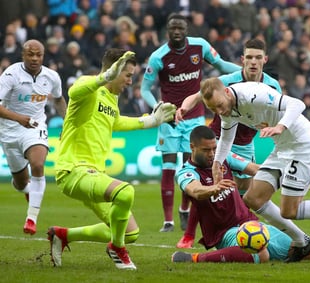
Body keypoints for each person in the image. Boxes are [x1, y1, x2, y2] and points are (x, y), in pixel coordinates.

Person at [200, 78, 310, 262]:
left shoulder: (253, 95)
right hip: (283, 148)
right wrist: (217, 164)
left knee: (289, 210)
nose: (219, 111)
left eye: (220, 105)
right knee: (254, 198)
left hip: (304, 145)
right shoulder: (226, 107)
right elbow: (226, 136)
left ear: (227, 92)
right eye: (213, 109)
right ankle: (303, 243)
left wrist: (280, 126)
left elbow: (297, 103)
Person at [46, 49, 176, 270]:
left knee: (130, 232)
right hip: (73, 171)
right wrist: (103, 78)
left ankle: (62, 235)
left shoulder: (111, 98)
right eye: (127, 75)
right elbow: (75, 90)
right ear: (112, 71)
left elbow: (115, 122)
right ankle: (117, 249)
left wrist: (151, 121)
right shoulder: (89, 89)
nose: (129, 81)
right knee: (125, 192)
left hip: (94, 174)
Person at [175, 38, 282, 248]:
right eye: (249, 57)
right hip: (220, 140)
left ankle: (243, 229)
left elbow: (278, 113)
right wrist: (184, 108)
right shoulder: (228, 81)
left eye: (258, 58)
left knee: (243, 192)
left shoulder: (272, 85)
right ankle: (189, 234)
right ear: (242, 59)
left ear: (264, 60)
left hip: (246, 143)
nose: (253, 62)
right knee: (213, 185)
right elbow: (196, 96)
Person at [140, 13, 240, 233]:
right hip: (169, 118)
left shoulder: (200, 46)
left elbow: (222, 65)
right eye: (173, 28)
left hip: (194, 116)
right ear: (167, 30)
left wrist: (244, 72)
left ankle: (184, 210)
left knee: (189, 166)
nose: (177, 31)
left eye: (181, 28)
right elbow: (144, 89)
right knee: (167, 168)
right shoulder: (158, 57)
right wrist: (156, 106)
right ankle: (168, 221)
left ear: (187, 29)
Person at [171, 125, 310, 263]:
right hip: (225, 232)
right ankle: (194, 258)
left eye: (214, 148)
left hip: (250, 223)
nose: (212, 154)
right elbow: (195, 190)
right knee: (261, 254)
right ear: (192, 147)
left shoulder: (223, 156)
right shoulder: (186, 172)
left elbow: (255, 168)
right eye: (206, 150)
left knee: (305, 250)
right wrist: (214, 188)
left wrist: (290, 174)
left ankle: (232, 255)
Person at [0, 39, 67, 235]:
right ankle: (29, 191)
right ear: (23, 55)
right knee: (21, 184)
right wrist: (19, 118)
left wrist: (68, 123)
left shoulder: (51, 76)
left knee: (38, 165)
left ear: (43, 56)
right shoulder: (11, 74)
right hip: (9, 131)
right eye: (31, 54)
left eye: (39, 55)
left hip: (35, 127)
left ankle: (31, 219)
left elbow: (58, 99)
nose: (35, 59)